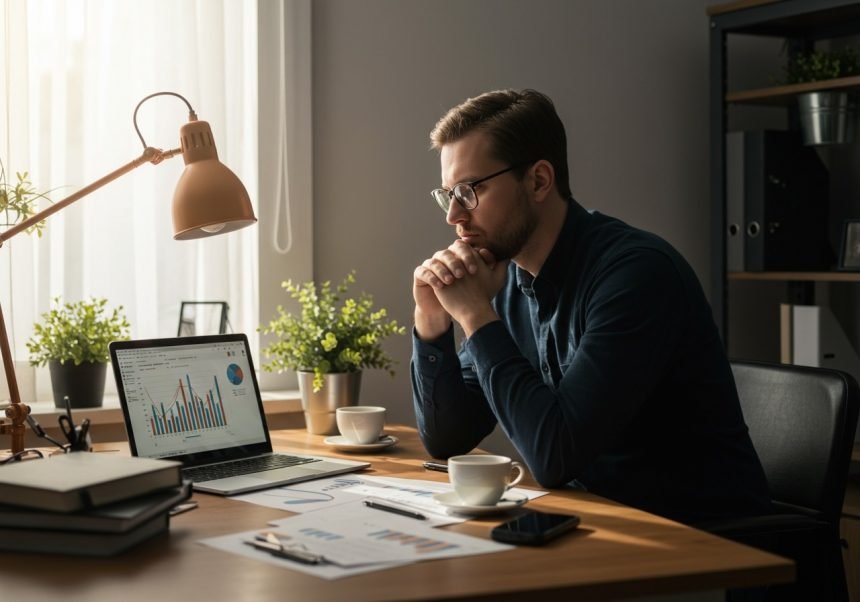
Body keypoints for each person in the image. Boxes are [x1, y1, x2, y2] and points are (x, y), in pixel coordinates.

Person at [410, 88, 772, 524]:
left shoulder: (636, 275)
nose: (453, 215)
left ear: (539, 180)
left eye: (469, 191)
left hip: (702, 541)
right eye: (447, 194)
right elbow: (448, 437)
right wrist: (432, 324)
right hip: (601, 523)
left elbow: (556, 457)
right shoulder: (506, 283)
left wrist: (474, 316)